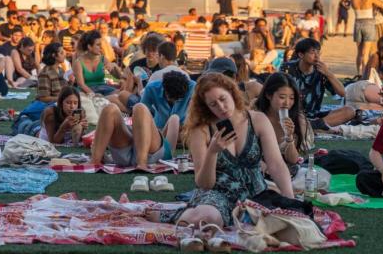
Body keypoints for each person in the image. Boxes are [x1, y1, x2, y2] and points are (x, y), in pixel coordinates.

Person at [148, 73, 293, 228]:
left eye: (223, 99)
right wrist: (212, 152)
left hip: (256, 195)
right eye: (213, 104)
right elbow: (204, 184)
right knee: (206, 219)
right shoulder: (202, 130)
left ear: (232, 92)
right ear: (206, 107)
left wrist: (290, 201)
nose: (221, 107)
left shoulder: (257, 120)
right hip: (217, 195)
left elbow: (276, 164)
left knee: (282, 223)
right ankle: (171, 216)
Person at [282, 38, 352, 130]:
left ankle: (311, 125)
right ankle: (309, 125)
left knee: (349, 111)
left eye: (318, 53)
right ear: (301, 55)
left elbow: (342, 93)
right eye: (312, 53)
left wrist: (328, 73)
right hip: (292, 113)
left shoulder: (321, 71)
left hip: (314, 115)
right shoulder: (287, 68)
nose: (317, 56)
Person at [254, 73, 313, 175]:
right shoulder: (255, 114)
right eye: (282, 97)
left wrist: (289, 137)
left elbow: (293, 160)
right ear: (269, 95)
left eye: (291, 98)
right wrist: (264, 167)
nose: (287, 103)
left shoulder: (297, 119)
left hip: (284, 171)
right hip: (258, 169)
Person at [73, 31, 120, 95]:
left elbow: (116, 78)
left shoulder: (103, 59)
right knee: (113, 99)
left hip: (104, 89)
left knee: (121, 94)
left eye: (101, 44)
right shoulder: (78, 63)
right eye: (98, 45)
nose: (101, 47)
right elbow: (81, 85)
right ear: (89, 47)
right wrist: (95, 96)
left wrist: (114, 66)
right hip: (87, 92)